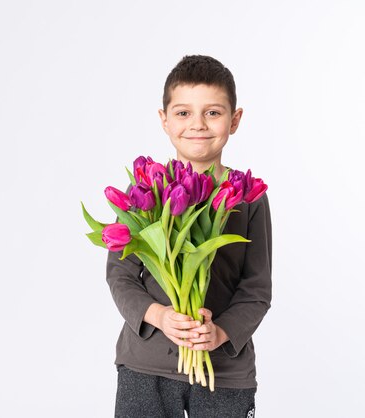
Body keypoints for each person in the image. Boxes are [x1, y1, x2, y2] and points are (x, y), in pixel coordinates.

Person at [106, 55, 272, 418]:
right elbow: (120, 275)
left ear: (235, 119)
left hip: (224, 374)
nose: (197, 124)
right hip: (144, 367)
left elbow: (257, 290)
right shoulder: (145, 188)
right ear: (164, 120)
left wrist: (221, 333)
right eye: (183, 113)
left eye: (213, 112)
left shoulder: (247, 196)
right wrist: (160, 316)